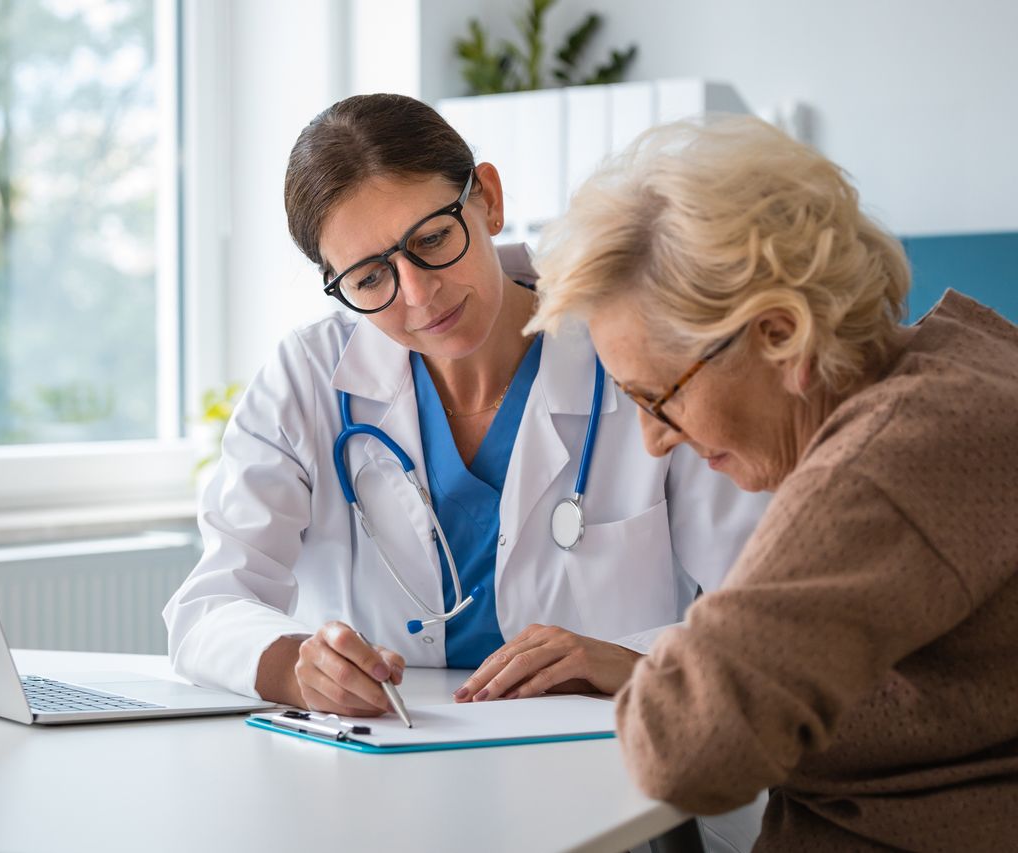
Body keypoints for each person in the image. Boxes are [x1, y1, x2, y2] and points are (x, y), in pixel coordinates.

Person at [163, 93, 765, 721]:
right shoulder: (307, 380)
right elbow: (206, 609)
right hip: (386, 773)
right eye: (371, 278)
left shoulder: (633, 351)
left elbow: (766, 605)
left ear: (488, 200)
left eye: (432, 238)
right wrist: (297, 667)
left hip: (614, 766)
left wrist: (635, 659)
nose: (420, 294)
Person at [526, 114, 1018, 851]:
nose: (655, 439)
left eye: (659, 396)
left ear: (781, 332)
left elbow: (686, 749)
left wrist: (661, 677)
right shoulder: (968, 360)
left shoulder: (886, 462)